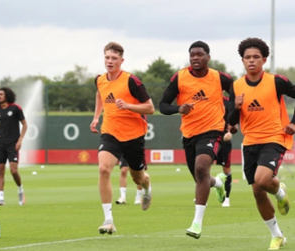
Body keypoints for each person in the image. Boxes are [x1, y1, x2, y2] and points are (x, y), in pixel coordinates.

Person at [159, 41, 231, 239]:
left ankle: (196, 223)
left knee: (201, 169)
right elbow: (163, 105)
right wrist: (178, 108)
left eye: (199, 54)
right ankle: (218, 182)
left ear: (208, 57)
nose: (195, 58)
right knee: (201, 177)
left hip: (213, 131)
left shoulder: (219, 77)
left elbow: (237, 96)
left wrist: (231, 120)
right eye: (192, 55)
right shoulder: (180, 77)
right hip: (189, 134)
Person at [228, 37, 291, 250]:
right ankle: (277, 235)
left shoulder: (276, 81)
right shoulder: (236, 86)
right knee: (257, 191)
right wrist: (235, 107)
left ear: (264, 59)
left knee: (262, 180)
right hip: (250, 142)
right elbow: (230, 121)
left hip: (275, 138)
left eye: (256, 57)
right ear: (242, 61)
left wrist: (293, 123)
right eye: (247, 57)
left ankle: (280, 192)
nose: (251, 61)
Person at [89, 42, 154, 235]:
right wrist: (96, 116)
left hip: (134, 135)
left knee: (137, 177)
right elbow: (100, 95)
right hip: (110, 132)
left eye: (114, 58)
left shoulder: (132, 81)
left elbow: (150, 107)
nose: (110, 61)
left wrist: (127, 105)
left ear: (121, 60)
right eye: (107, 58)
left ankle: (147, 185)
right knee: (103, 169)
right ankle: (108, 220)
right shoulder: (100, 80)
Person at [0, 87, 27, 206]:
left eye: (1, 94)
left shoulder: (15, 108)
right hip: (1, 143)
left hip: (13, 143)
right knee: (0, 170)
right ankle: (1, 198)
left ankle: (20, 190)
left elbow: (24, 125)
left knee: (13, 171)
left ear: (7, 95)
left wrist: (20, 140)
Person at [218, 96, 236, 207]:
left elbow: (233, 119)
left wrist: (230, 131)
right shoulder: (207, 99)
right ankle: (202, 197)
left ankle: (227, 198)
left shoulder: (227, 102)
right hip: (209, 137)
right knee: (204, 167)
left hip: (224, 138)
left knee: (226, 169)